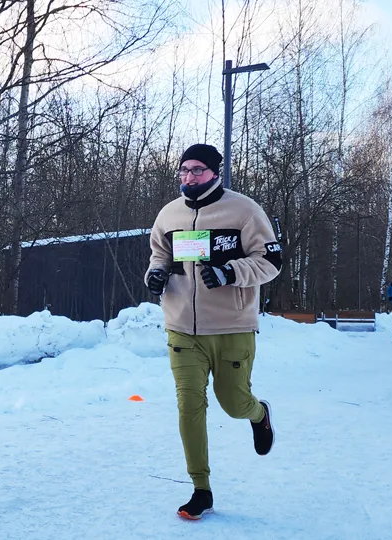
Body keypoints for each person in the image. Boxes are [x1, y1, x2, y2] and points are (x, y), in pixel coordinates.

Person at [145, 144, 282, 520]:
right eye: (184, 170)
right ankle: (200, 489)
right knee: (189, 405)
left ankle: (258, 415)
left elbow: (270, 261)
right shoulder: (169, 214)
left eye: (197, 170)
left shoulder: (244, 210)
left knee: (233, 403)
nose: (189, 177)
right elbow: (159, 254)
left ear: (216, 173)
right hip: (181, 329)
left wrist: (230, 273)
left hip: (231, 326)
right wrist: (155, 275)